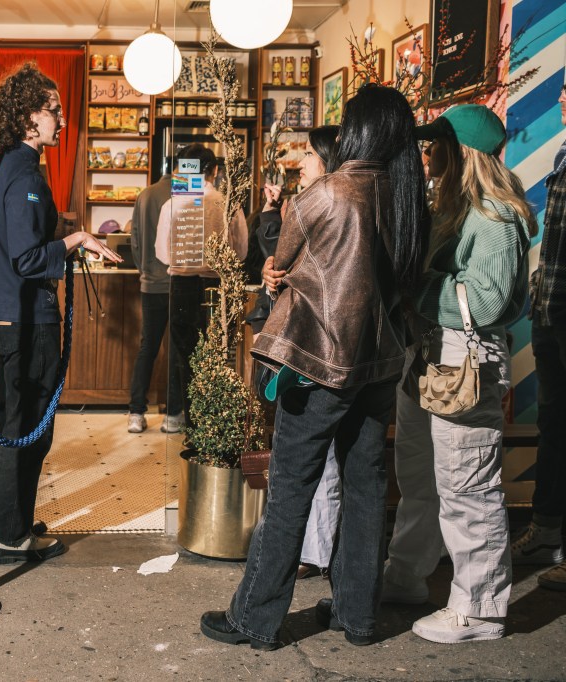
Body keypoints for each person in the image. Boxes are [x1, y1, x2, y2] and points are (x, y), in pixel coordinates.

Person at [200, 85, 430, 650]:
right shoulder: (403, 194)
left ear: (359, 130)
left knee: (291, 489)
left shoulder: (329, 192)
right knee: (366, 487)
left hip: (317, 362)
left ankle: (255, 617)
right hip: (378, 365)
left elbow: (281, 258)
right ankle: (358, 615)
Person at [382, 104, 534, 643]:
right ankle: (406, 575)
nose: (426, 153)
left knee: (467, 484)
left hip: (462, 360)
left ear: (460, 149)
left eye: (435, 143)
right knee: (421, 477)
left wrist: (413, 285)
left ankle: (480, 609)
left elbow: (489, 302)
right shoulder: (452, 204)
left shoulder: (494, 213)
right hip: (431, 355)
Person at [0, 62, 121, 564]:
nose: (61, 120)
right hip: (27, 320)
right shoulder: (25, 174)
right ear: (28, 118)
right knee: (27, 424)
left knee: (7, 420)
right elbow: (26, 256)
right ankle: (10, 537)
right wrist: (74, 240)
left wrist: (64, 237)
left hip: (4, 316)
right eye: (54, 110)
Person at [258, 126, 343, 580]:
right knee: (310, 456)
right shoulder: (302, 203)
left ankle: (317, 550)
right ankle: (311, 546)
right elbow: (285, 263)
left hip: (318, 344)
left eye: (309, 154)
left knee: (317, 458)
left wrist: (282, 274)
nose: (301, 162)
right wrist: (273, 274)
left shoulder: (331, 206)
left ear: (329, 160)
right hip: (302, 339)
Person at [512, 83, 566, 593]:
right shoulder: (561, 152)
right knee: (554, 422)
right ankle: (548, 526)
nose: (563, 100)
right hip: (553, 310)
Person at [154, 144, 247, 433]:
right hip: (216, 286)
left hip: (181, 285)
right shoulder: (225, 202)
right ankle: (215, 428)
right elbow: (241, 251)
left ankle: (194, 427)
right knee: (219, 355)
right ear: (214, 171)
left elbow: (162, 252)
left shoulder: (174, 203)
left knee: (186, 358)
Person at [125, 160, 182, 434]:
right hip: (179, 283)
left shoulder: (145, 194)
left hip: (150, 283)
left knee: (147, 348)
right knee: (175, 349)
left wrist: (144, 268)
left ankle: (136, 412)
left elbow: (134, 240)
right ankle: (172, 415)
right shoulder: (184, 191)